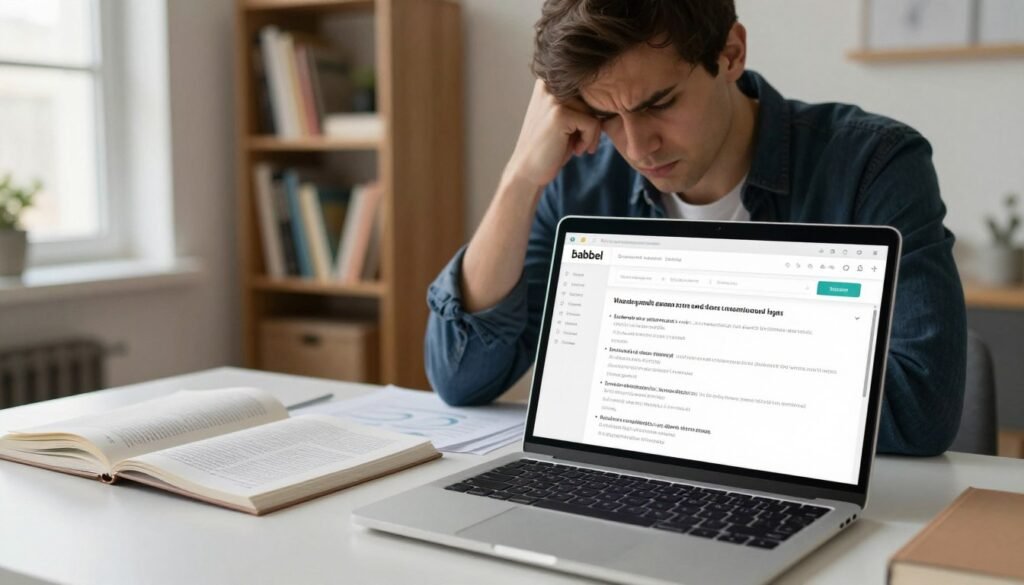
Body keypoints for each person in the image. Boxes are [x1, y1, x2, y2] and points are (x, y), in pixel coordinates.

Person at [424, 0, 966, 456]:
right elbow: (461, 376)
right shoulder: (581, 182)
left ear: (729, 54)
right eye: (607, 115)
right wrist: (521, 178)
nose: (638, 148)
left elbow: (921, 407)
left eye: (659, 104)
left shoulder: (873, 164)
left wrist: (644, 385)